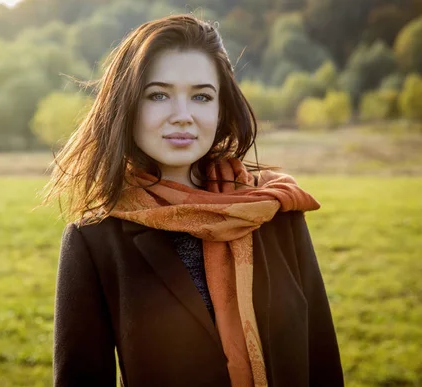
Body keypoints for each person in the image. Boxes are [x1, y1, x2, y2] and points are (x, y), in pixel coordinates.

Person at [45, 14, 344, 387]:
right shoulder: (95, 240)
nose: (183, 116)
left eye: (201, 96)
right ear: (127, 107)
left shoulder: (274, 211)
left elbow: (322, 361)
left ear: (220, 110)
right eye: (158, 95)